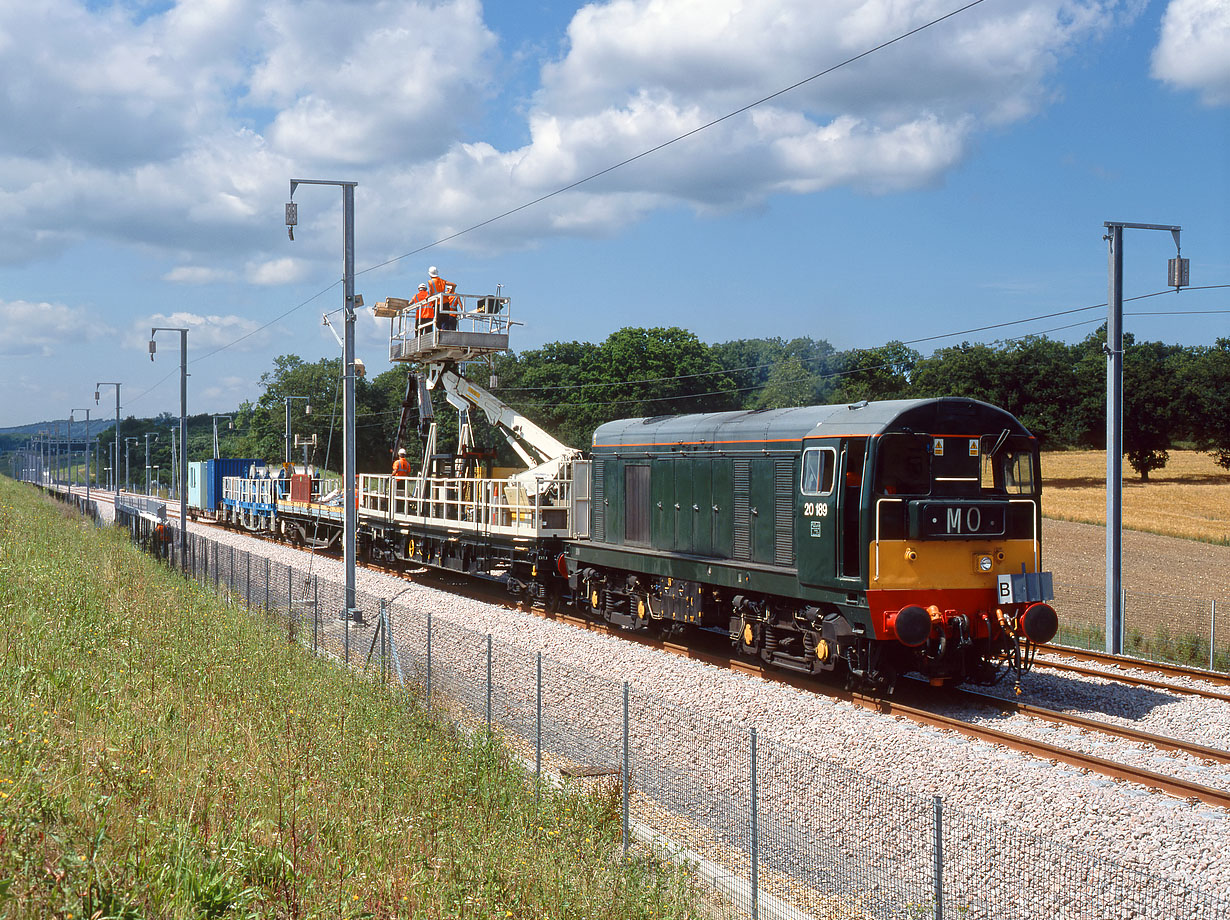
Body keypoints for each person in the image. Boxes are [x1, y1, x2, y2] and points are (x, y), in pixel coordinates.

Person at [426, 266, 458, 330]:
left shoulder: (430, 282)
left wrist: (428, 297)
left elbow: (431, 293)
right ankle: (444, 330)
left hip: (437, 303)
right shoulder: (442, 281)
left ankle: (441, 330)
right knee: (445, 320)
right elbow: (454, 285)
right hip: (445, 302)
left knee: (438, 320)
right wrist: (450, 293)